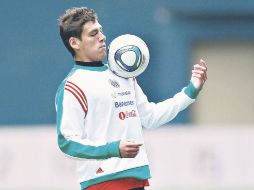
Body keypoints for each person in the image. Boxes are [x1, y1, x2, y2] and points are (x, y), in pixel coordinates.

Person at [55, 6, 207, 190]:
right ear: (75, 43)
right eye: (93, 34)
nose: (102, 37)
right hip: (103, 182)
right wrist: (113, 149)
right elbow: (67, 143)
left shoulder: (122, 74)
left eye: (101, 31)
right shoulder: (73, 86)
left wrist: (190, 92)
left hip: (136, 178)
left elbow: (150, 117)